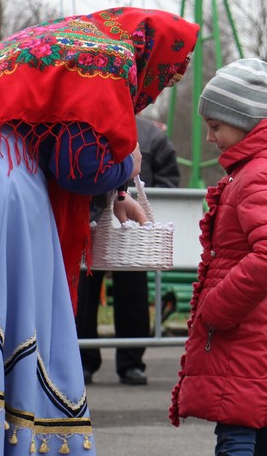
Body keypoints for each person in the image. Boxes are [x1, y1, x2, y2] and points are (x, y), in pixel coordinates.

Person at [0, 7, 199, 456]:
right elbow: (80, 165)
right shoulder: (110, 57)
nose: (158, 82)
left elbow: (53, 136)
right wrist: (128, 163)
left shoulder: (50, 41)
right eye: (164, 72)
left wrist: (117, 191)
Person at [168, 58, 267, 455]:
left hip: (247, 325)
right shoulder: (265, 168)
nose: (210, 137)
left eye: (216, 126)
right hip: (265, 321)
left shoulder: (258, 175)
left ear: (247, 120)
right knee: (262, 429)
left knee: (235, 430)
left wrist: (218, 306)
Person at [76, 115, 181, 386]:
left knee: (132, 293)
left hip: (129, 226)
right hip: (93, 218)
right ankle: (84, 359)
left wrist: (149, 202)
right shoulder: (98, 123)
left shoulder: (152, 136)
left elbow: (169, 179)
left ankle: (131, 361)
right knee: (85, 293)